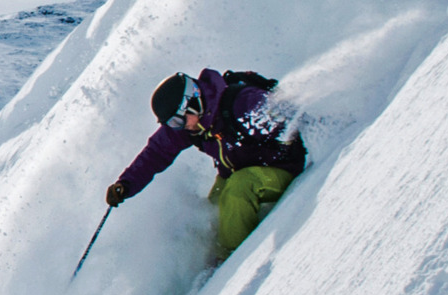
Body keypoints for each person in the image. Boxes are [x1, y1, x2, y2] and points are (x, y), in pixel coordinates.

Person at [105, 69, 305, 260]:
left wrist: (287, 140)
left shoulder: (243, 103)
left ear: (191, 103)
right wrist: (126, 184)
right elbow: (156, 153)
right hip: (239, 171)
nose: (179, 127)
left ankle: (232, 260)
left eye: (177, 121)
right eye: (173, 124)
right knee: (214, 209)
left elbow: (289, 117)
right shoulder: (194, 124)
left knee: (238, 189)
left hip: (281, 169)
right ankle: (209, 256)